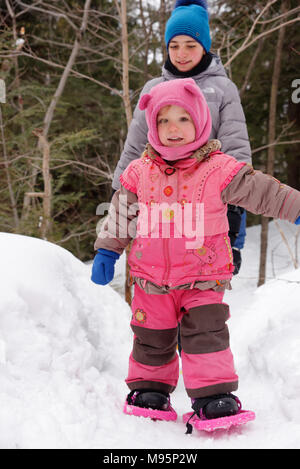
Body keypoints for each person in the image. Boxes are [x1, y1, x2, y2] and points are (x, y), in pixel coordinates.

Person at [91, 78, 300, 428]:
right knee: (151, 337)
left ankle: (213, 396)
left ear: (201, 121)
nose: (173, 128)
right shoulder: (138, 173)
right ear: (153, 127)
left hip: (203, 277)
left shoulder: (219, 169)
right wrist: (108, 252)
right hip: (150, 278)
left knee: (207, 336)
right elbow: (120, 215)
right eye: (163, 120)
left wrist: (296, 207)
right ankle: (149, 389)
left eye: (183, 119)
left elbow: (263, 191)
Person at [111, 0, 251, 274]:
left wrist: (235, 226)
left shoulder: (223, 89)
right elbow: (134, 146)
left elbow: (236, 151)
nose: (181, 53)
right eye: (174, 46)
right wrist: (118, 192)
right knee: (160, 280)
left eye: (190, 45)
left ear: (204, 47)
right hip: (160, 200)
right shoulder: (154, 88)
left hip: (207, 201)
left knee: (201, 291)